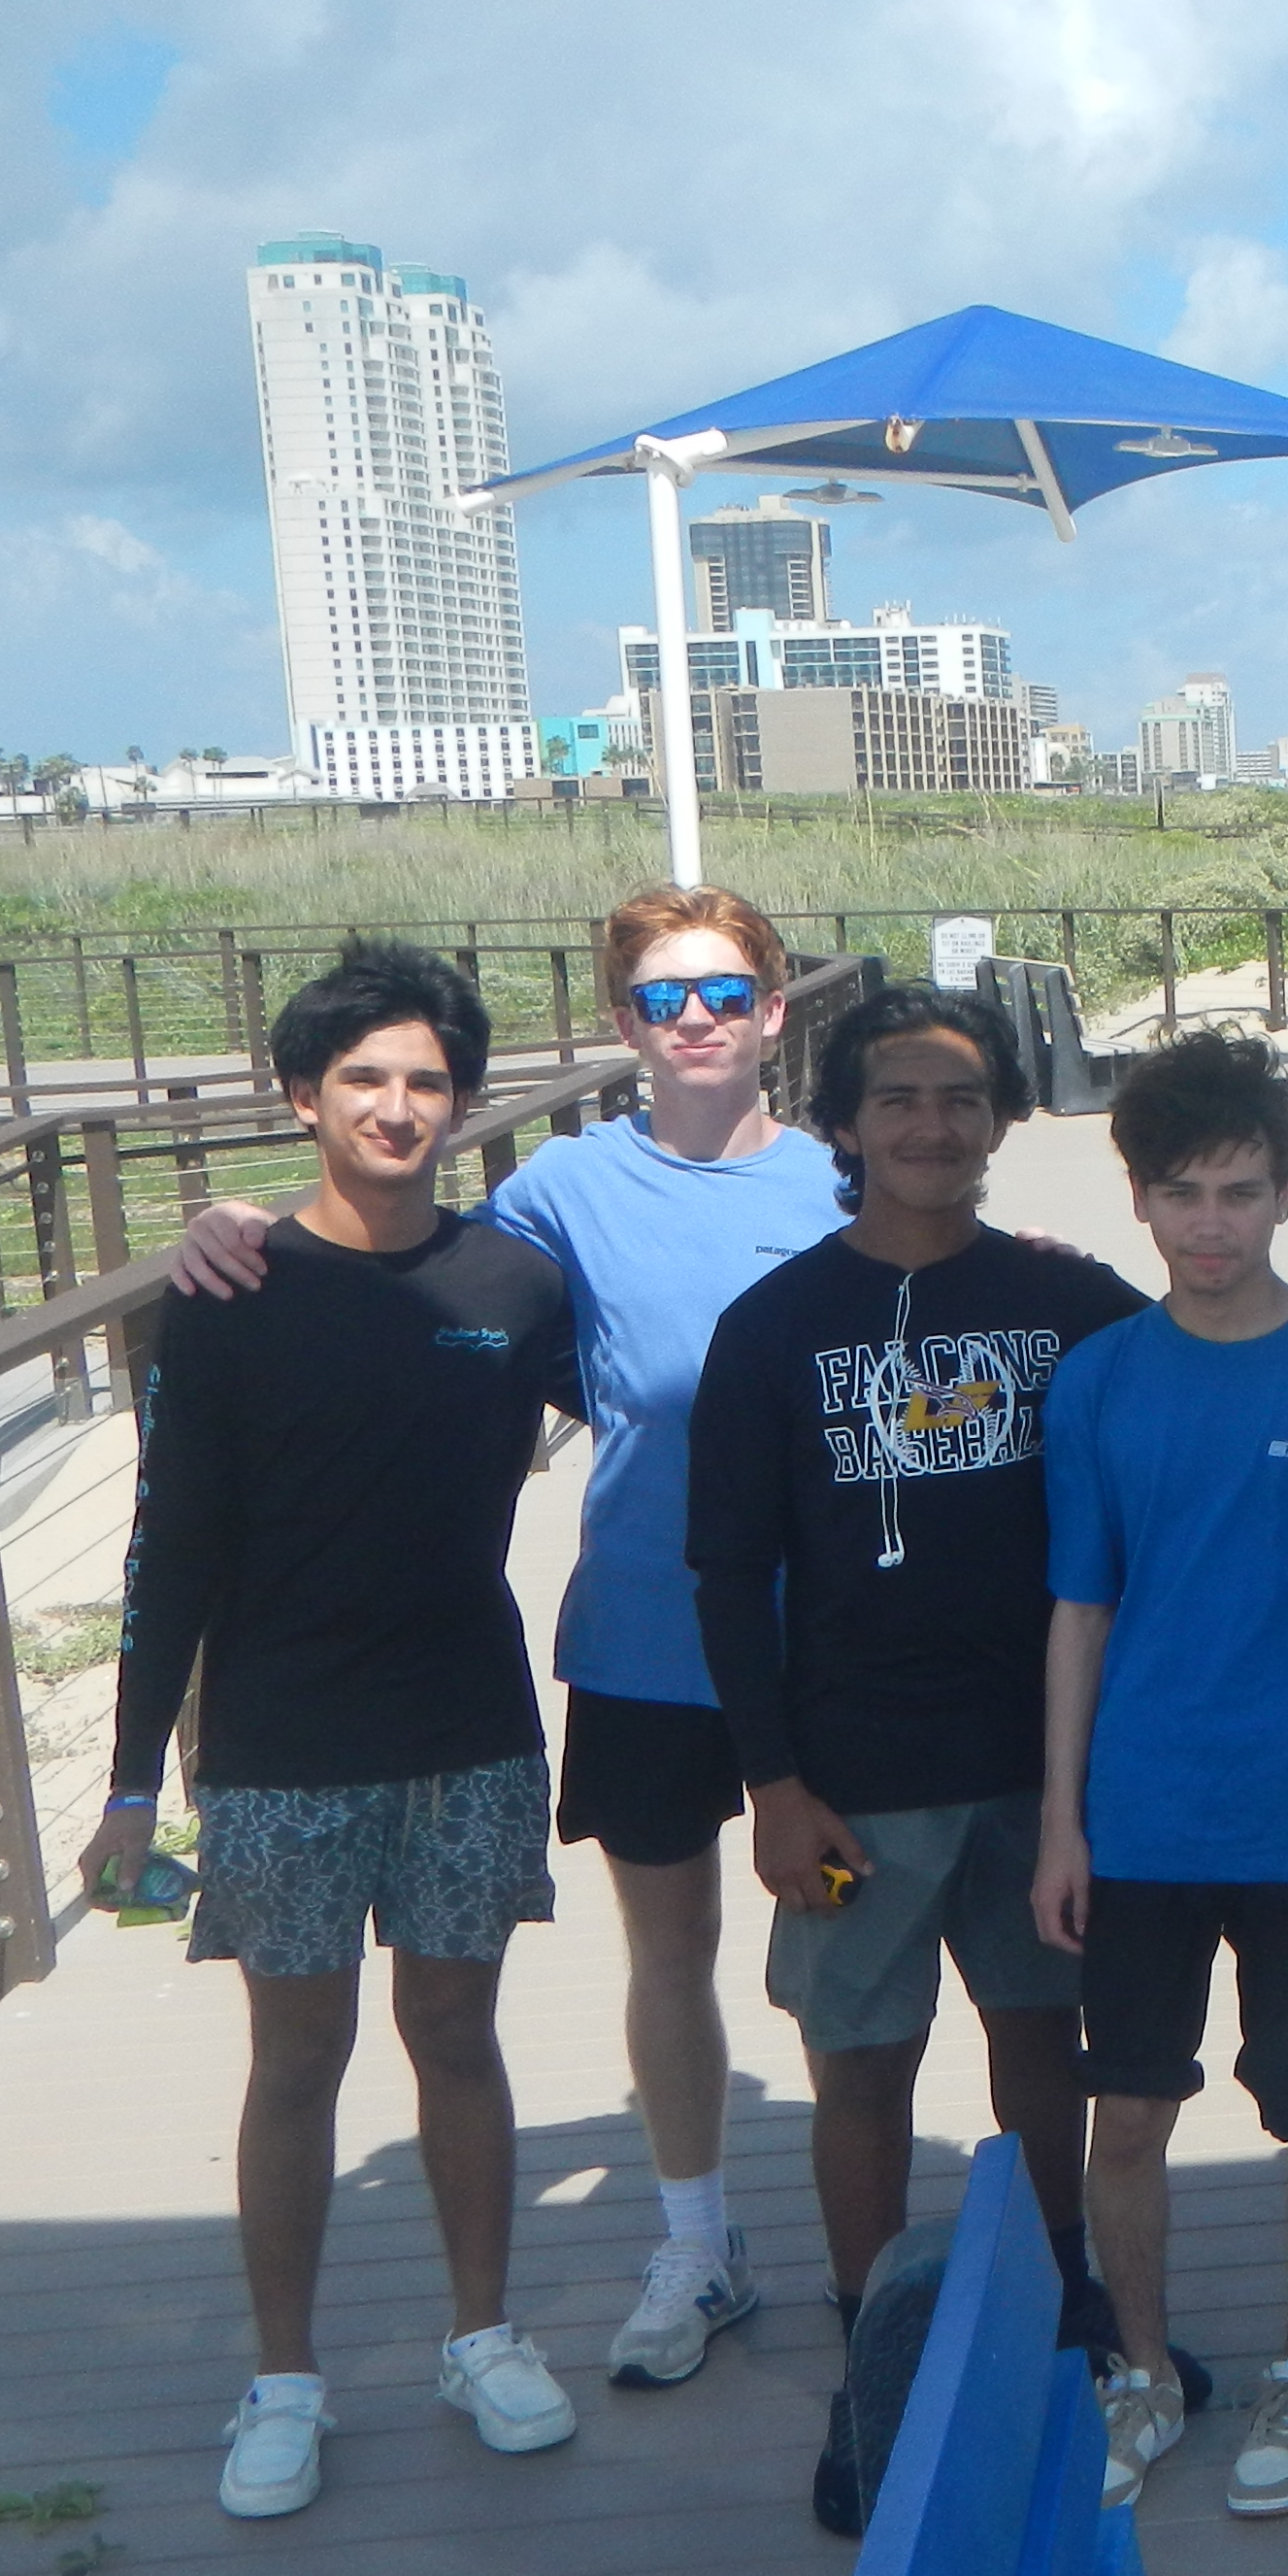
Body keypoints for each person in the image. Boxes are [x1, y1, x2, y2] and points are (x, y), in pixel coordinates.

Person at [173, 888, 839, 2388]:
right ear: (624, 1026)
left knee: (835, 1925)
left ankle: (869, 2239)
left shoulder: (842, 1185)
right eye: (666, 1000)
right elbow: (405, 1256)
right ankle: (697, 2238)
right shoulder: (559, 1195)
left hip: (827, 1657)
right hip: (649, 1651)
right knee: (671, 1950)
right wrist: (229, 1222)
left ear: (777, 1009)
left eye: (727, 992)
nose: (700, 1022)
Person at [83, 942, 586, 2523]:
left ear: (460, 1104)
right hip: (284, 1739)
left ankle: (482, 2335)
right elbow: (174, 1548)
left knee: (457, 2038)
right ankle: (285, 2379)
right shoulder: (228, 1296)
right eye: (362, 1077)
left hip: (467, 1723)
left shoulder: (513, 1285)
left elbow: (677, 1379)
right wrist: (126, 1776)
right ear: (301, 1098)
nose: (395, 1105)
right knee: (296, 2060)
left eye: (426, 1080)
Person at [686, 983, 1146, 2530]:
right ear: (841, 1124)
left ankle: (1059, 2301)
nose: (930, 1127)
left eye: (960, 1098)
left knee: (1042, 2041)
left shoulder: (1075, 1307)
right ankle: (873, 2348)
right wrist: (773, 1785)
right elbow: (726, 1571)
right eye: (896, 1099)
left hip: (1042, 1768)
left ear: (1002, 1119)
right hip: (849, 1780)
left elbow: (1215, 1365)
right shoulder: (772, 1329)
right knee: (860, 2065)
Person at [1040, 1031, 1288, 2523]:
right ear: (1136, 1199)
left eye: (1242, 1191)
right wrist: (1063, 1822)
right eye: (1182, 1194)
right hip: (1141, 1816)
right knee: (1128, 2113)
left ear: (1286, 1192)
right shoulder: (1095, 1384)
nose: (1213, 1225)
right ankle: (1139, 2369)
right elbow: (1080, 1611)